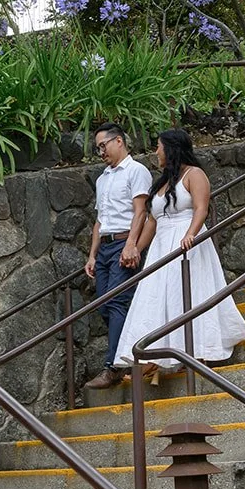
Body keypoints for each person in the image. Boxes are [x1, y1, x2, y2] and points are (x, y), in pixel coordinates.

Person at [113, 128, 245, 380]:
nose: (156, 151)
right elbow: (153, 221)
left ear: (171, 148)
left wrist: (191, 233)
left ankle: (196, 350)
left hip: (186, 241)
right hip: (162, 246)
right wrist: (137, 247)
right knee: (159, 297)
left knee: (188, 294)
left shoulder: (195, 174)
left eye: (158, 146)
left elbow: (201, 208)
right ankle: (156, 356)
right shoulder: (162, 183)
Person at [83, 123, 152, 389]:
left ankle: (113, 367)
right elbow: (100, 221)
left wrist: (132, 245)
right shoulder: (103, 179)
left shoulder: (136, 171)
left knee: (116, 302)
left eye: (104, 145)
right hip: (105, 248)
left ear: (119, 141)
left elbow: (141, 212)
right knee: (103, 305)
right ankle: (131, 353)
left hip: (125, 242)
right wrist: (92, 255)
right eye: (98, 148)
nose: (101, 152)